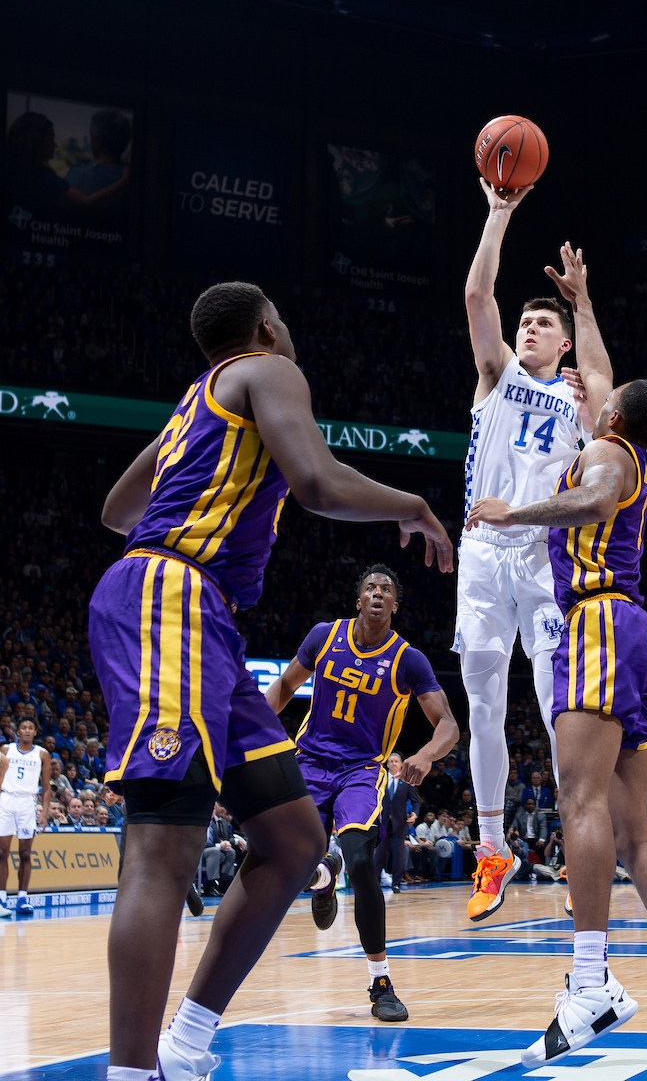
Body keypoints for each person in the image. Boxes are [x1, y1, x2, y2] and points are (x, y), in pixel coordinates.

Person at [88, 281, 453, 1081]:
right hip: (170, 601)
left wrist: (187, 486)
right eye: (282, 321)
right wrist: (412, 503)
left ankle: (184, 1047)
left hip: (204, 617)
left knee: (293, 842)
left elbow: (117, 509)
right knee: (162, 850)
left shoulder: (195, 404)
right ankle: (130, 1074)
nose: (287, 332)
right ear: (264, 327)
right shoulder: (268, 369)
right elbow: (317, 482)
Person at [465, 244, 647, 1079]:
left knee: (576, 798)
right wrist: (582, 302)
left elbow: (586, 499)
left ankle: (592, 985)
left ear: (614, 410)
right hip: (635, 633)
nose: (588, 383)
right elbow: (600, 373)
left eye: (601, 390)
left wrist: (515, 514)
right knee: (631, 831)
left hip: (596, 624)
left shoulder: (606, 455)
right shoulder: (630, 448)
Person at [456, 181, 598, 922]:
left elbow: (605, 384)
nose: (530, 328)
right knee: (483, 705)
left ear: (565, 340)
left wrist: (582, 302)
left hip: (544, 555)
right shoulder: (498, 374)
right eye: (526, 322)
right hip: (484, 553)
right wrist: (499, 213)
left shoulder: (580, 399)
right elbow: (477, 296)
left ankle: (580, 850)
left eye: (544, 322)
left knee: (553, 710)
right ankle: (492, 848)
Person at [266, 564, 458, 1021]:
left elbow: (448, 725)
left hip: (361, 770)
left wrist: (426, 755)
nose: (377, 593)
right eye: (370, 587)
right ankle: (322, 878)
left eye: (386, 589)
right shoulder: (324, 636)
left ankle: (381, 982)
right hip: (309, 761)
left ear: (394, 605)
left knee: (359, 860)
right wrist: (249, 730)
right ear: (358, 600)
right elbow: (286, 686)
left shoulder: (408, 659)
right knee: (289, 862)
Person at [0, 717, 50, 917]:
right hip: (6, 800)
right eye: (23, 727)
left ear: (35, 732)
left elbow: (46, 786)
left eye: (31, 728)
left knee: (26, 853)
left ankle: (22, 898)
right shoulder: (6, 750)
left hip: (28, 803)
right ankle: (1, 898)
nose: (27, 730)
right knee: (1, 853)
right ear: (17, 731)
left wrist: (44, 812)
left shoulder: (42, 754)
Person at [374, 751, 421, 893]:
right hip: (383, 823)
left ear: (401, 764)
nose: (394, 764)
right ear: (387, 764)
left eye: (396, 761)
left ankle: (396, 883)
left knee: (398, 856)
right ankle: (375, 884)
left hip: (399, 824)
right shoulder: (381, 779)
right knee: (379, 854)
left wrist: (414, 814)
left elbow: (415, 801)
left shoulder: (406, 781)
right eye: (391, 761)